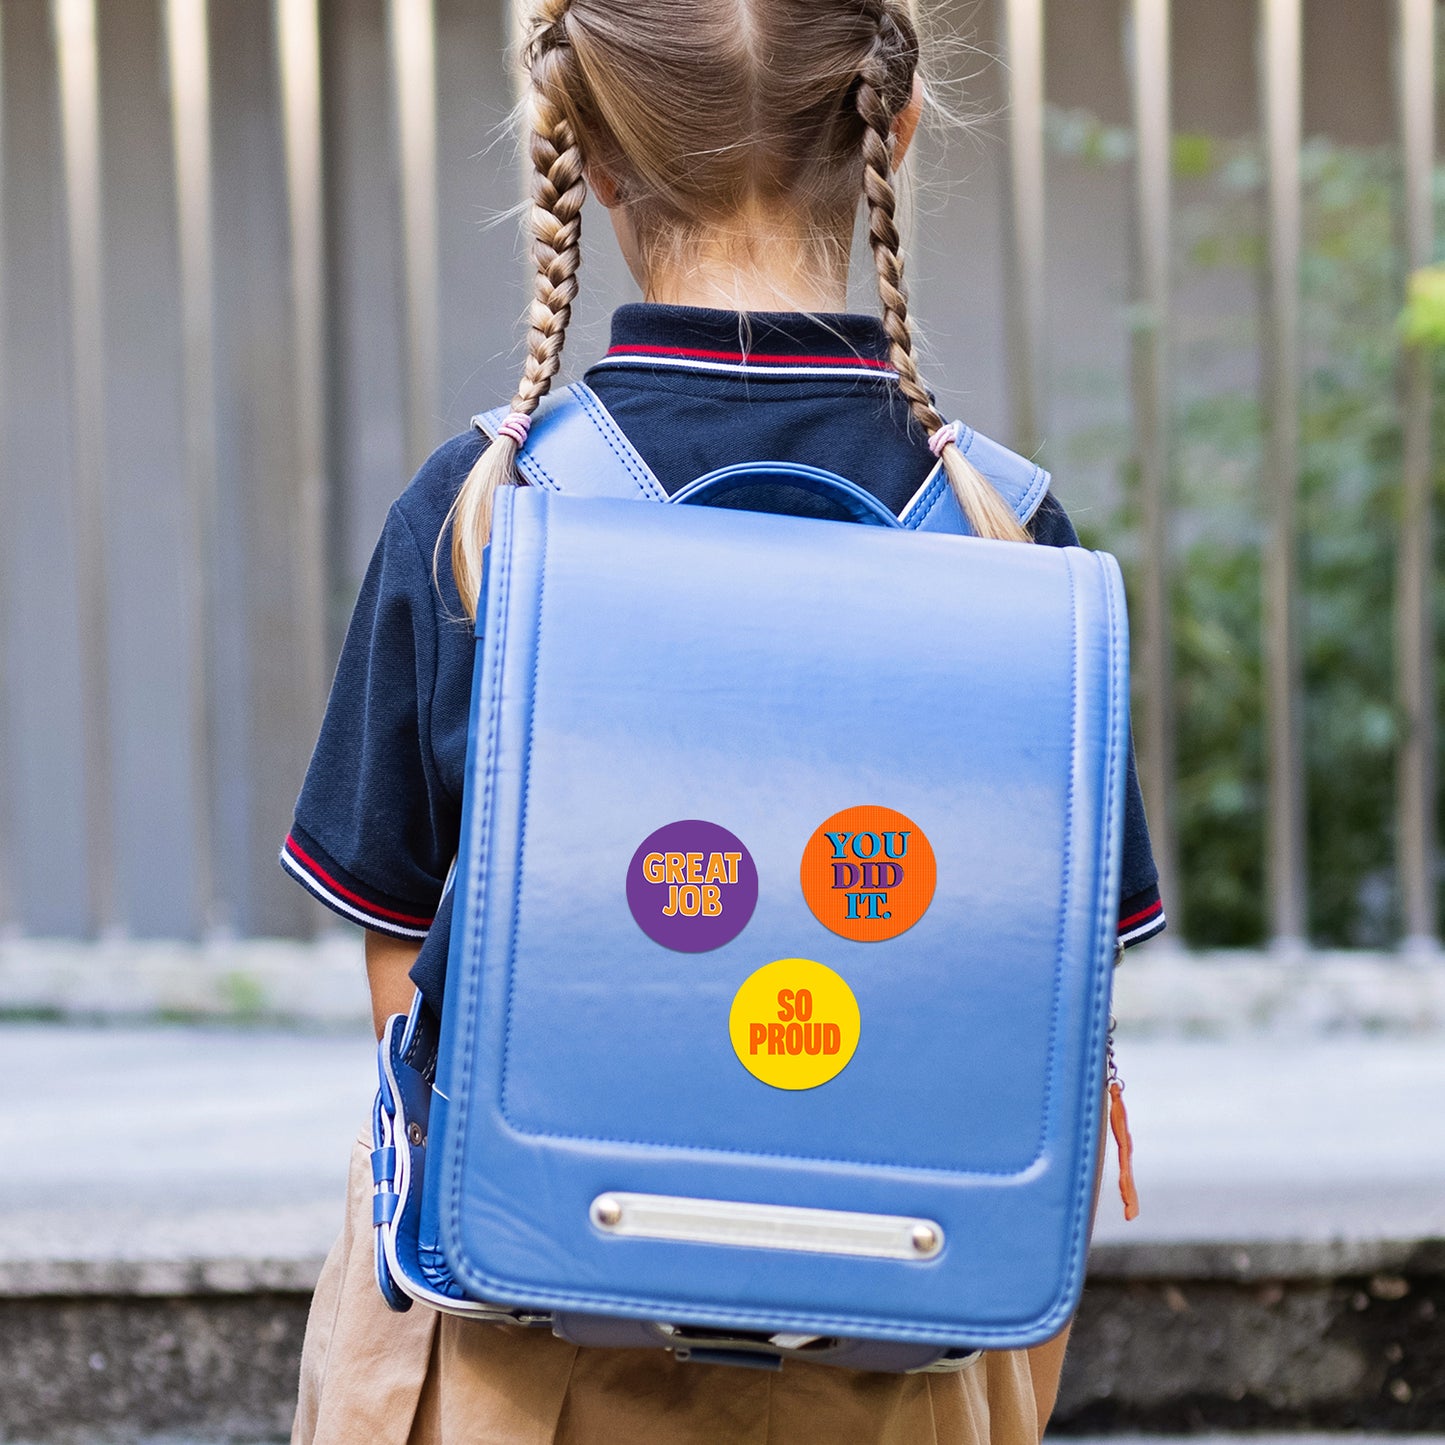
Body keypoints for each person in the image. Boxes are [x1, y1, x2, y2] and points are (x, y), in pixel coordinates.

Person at [279, 1, 1167, 1440]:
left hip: (516, 1333)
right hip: (899, 1332)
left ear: (591, 156)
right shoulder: (1007, 529)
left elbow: (401, 953)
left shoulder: (483, 515)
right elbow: (1060, 973)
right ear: (895, 125)